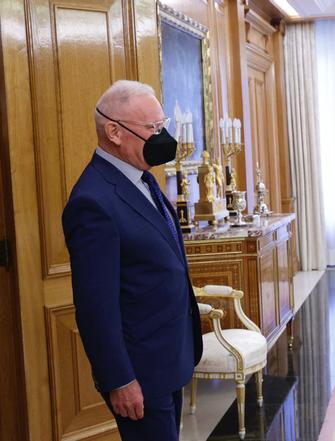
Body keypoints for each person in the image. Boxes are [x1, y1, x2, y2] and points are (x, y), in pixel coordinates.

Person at [62, 80, 202, 441]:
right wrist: (119, 379)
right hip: (140, 372)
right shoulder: (93, 202)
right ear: (114, 132)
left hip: (169, 358)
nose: (163, 137)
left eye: (163, 125)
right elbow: (96, 306)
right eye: (152, 129)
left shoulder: (141, 178)